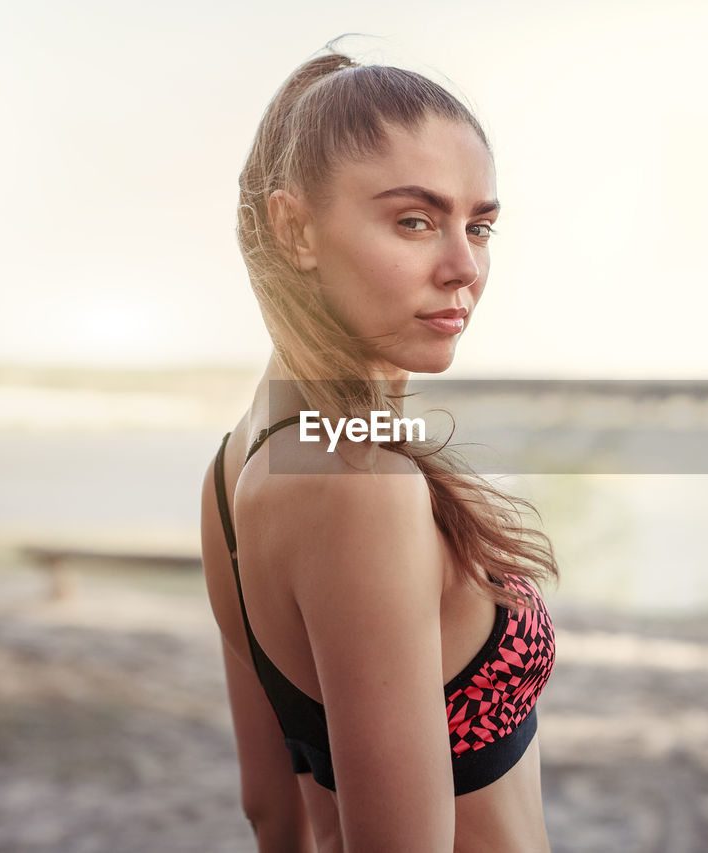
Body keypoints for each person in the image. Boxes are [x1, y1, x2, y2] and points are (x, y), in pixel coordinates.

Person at [199, 42, 559, 852]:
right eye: (415, 221)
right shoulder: (363, 487)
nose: (464, 266)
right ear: (294, 228)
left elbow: (271, 808)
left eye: (480, 225)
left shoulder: (233, 467)